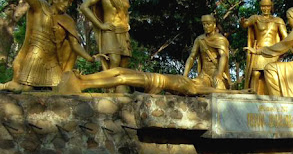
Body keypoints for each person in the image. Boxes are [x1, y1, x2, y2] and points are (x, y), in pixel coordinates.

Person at [0, 0, 103, 92]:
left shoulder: (68, 20)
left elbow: (74, 44)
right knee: (26, 89)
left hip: (52, 60)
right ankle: (5, 86)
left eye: (69, 3)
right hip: (35, 56)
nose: (66, 4)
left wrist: (90, 57)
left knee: (59, 88)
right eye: (63, 0)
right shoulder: (40, 7)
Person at [80, 0, 131, 93]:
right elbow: (84, 6)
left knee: (124, 63)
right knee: (114, 60)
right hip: (109, 30)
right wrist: (100, 25)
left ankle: (119, 89)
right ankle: (109, 89)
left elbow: (125, 12)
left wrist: (127, 23)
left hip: (123, 31)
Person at [55, 67, 242, 96]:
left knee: (121, 78)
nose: (202, 75)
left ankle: (83, 85)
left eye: (206, 78)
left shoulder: (193, 89)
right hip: (152, 76)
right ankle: (83, 78)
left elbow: (217, 93)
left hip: (154, 81)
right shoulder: (188, 80)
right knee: (118, 70)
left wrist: (238, 92)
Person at [240, 0, 288, 94]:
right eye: (263, 6)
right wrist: (242, 22)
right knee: (256, 73)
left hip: (272, 52)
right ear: (260, 7)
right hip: (259, 51)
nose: (265, 8)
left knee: (271, 75)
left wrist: (282, 51)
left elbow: (286, 38)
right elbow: (246, 24)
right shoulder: (256, 18)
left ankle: (273, 97)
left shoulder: (278, 21)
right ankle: (252, 96)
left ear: (271, 7)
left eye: (267, 6)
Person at [183, 14, 230, 90]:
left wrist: (219, 74)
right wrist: (184, 76)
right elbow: (192, 57)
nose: (206, 26)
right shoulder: (199, 40)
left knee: (219, 90)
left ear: (214, 24)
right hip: (204, 75)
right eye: (204, 24)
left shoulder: (220, 39)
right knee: (191, 86)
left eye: (208, 24)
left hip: (216, 73)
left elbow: (223, 56)